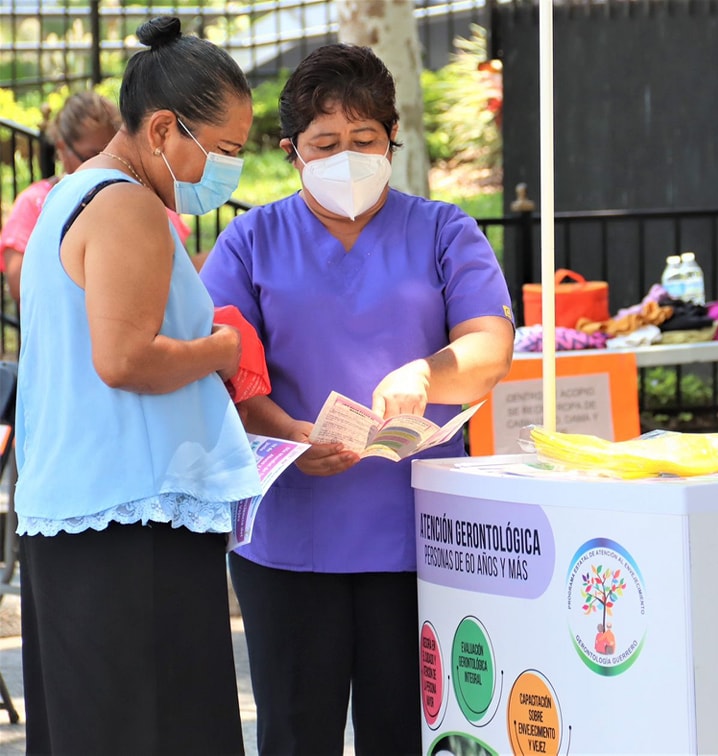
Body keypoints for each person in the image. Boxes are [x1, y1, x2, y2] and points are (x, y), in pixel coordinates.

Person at [200, 43, 515, 755]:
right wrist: (288, 432)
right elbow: (226, 372)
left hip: (421, 540)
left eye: (365, 140)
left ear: (393, 139)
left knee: (409, 733)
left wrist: (429, 373)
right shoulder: (251, 241)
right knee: (295, 734)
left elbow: (490, 350)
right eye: (327, 143)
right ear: (292, 152)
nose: (349, 157)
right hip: (288, 538)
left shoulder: (443, 231)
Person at [15, 16, 261, 754]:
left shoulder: (68, 195)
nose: (227, 171)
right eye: (222, 150)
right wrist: (219, 347)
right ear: (162, 129)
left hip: (83, 512)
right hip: (132, 522)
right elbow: (123, 358)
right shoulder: (127, 206)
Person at [0, 90, 192, 304]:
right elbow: (20, 286)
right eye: (93, 156)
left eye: (112, 153)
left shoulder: (141, 198)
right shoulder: (35, 202)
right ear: (63, 149)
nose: (105, 165)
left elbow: (180, 269)